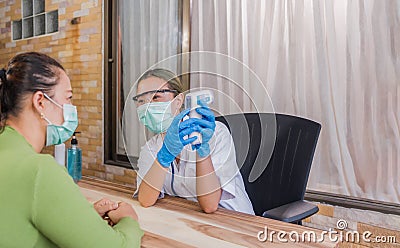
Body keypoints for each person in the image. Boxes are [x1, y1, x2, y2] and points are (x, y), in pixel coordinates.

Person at [0, 52, 143, 247]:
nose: (72, 108)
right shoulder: (39, 171)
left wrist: (81, 218)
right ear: (40, 102)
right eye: (68, 99)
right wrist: (129, 221)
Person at [133, 69, 254, 215]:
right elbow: (146, 200)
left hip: (235, 221)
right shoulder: (151, 148)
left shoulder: (215, 134)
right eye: (141, 101)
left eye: (156, 97)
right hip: (191, 219)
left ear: (178, 101)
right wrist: (164, 155)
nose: (147, 106)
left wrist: (203, 150)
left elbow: (210, 206)